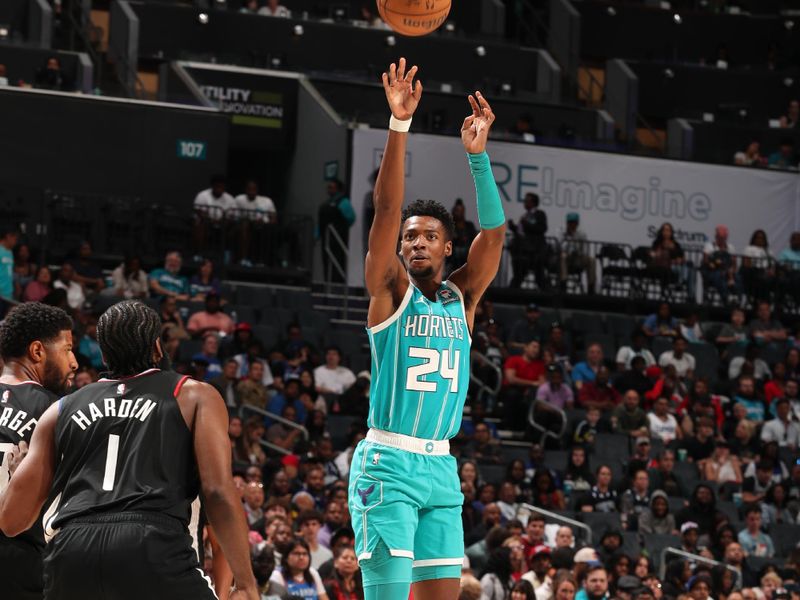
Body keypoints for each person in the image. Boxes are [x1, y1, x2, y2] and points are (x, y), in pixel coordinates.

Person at [347, 59, 506, 600]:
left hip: (441, 467)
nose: (415, 242)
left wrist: (479, 159)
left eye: (429, 235)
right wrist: (398, 126)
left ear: (446, 247)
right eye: (410, 236)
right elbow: (387, 208)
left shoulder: (462, 297)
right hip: (388, 462)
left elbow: (496, 234)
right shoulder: (388, 290)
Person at [0, 300, 259, 599]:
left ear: (104, 355)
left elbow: (10, 523)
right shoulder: (194, 394)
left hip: (71, 552)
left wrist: (19, 478)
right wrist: (246, 583)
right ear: (158, 348)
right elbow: (217, 492)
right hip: (151, 544)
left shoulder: (61, 408)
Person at [0, 303, 77, 600]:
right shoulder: (58, 411)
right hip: (23, 565)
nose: (74, 362)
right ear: (37, 351)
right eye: (67, 349)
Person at [318, 178, 355, 283]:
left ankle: (338, 282)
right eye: (328, 187)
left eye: (331, 187)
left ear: (338, 189)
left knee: (338, 260)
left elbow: (351, 218)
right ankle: (327, 281)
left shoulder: (343, 202)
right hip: (327, 237)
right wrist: (317, 234)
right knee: (326, 261)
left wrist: (341, 228)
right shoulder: (326, 204)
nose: (329, 189)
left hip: (338, 237)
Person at [234, 180, 278, 266]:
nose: (251, 192)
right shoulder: (239, 199)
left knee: (269, 231)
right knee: (244, 227)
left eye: (253, 189)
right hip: (247, 225)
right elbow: (235, 216)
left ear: (257, 190)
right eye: (249, 189)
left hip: (264, 226)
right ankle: (244, 259)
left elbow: (274, 219)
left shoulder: (267, 201)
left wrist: (266, 222)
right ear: (245, 190)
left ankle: (263, 261)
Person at [509, 192, 548, 289]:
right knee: (519, 268)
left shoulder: (539, 214)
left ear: (533, 203)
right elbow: (521, 232)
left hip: (536, 250)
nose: (525, 202)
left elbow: (541, 228)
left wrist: (527, 224)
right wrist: (513, 227)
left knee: (539, 275)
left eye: (527, 201)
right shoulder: (524, 216)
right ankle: (514, 287)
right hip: (523, 250)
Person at [559, 212, 596, 293]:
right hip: (565, 257)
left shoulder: (581, 234)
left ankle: (591, 287)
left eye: (574, 222)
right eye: (570, 222)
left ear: (577, 223)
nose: (572, 225)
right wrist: (568, 236)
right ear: (567, 223)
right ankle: (563, 284)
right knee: (563, 256)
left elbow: (585, 249)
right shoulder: (561, 232)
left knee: (591, 260)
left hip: (578, 257)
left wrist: (578, 253)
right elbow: (559, 247)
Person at [703, 225, 740, 303]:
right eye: (720, 237)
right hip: (713, 271)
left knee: (738, 277)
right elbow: (705, 261)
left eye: (724, 237)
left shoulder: (731, 247)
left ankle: (737, 299)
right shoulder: (709, 246)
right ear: (716, 236)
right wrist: (713, 265)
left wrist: (732, 271)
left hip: (728, 271)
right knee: (720, 277)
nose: (722, 239)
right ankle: (726, 299)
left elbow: (734, 263)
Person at [0, 227, 17, 304]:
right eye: (15, 239)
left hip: (8, 294)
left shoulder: (10, 252)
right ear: (8, 236)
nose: (15, 242)